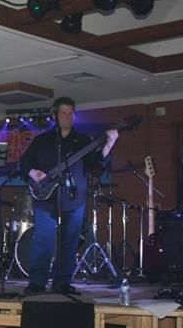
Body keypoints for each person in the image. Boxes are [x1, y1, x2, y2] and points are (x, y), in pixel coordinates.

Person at [20, 97, 118, 295]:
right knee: (43, 241)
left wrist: (110, 143)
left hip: (74, 198)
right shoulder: (42, 140)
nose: (67, 116)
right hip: (45, 198)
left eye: (70, 113)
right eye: (63, 112)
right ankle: (37, 283)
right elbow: (24, 162)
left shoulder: (82, 141)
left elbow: (94, 165)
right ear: (55, 115)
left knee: (70, 243)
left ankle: (62, 282)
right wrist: (33, 172)